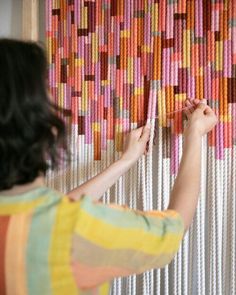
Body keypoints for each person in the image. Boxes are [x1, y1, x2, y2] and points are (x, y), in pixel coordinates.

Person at [0, 39, 218, 295]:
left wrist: (125, 161)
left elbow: (56, 210)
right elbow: (174, 228)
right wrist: (195, 133)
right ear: (41, 125)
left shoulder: (46, 223)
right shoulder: (71, 228)